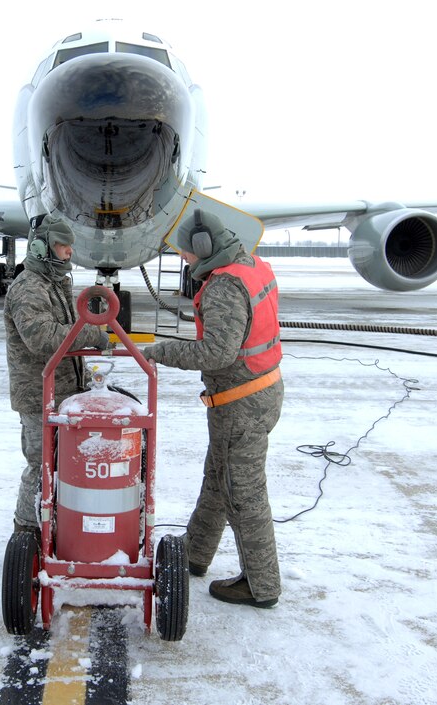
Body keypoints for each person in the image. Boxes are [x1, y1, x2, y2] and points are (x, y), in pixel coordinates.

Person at [142, 209, 284, 608]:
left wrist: (161, 351)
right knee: (219, 475)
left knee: (245, 495)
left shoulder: (223, 286)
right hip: (258, 392)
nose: (186, 259)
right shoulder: (251, 266)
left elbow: (217, 352)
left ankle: (261, 586)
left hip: (242, 403)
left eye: (187, 253)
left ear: (203, 248)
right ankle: (195, 552)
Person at [4, 216, 109, 534]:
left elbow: (67, 328)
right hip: (39, 396)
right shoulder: (28, 287)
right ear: (41, 247)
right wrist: (90, 334)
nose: (69, 252)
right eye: (63, 246)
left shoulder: (56, 284)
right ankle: (26, 531)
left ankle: (55, 526)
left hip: (64, 392)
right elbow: (41, 338)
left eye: (70, 245)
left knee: (63, 464)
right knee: (41, 465)